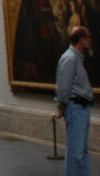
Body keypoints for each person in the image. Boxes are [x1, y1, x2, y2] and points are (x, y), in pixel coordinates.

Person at [55, 26, 93, 176]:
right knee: (75, 152)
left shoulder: (76, 58)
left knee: (82, 150)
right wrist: (61, 106)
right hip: (76, 108)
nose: (90, 41)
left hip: (81, 109)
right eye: (88, 38)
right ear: (82, 40)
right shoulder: (70, 58)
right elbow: (63, 87)